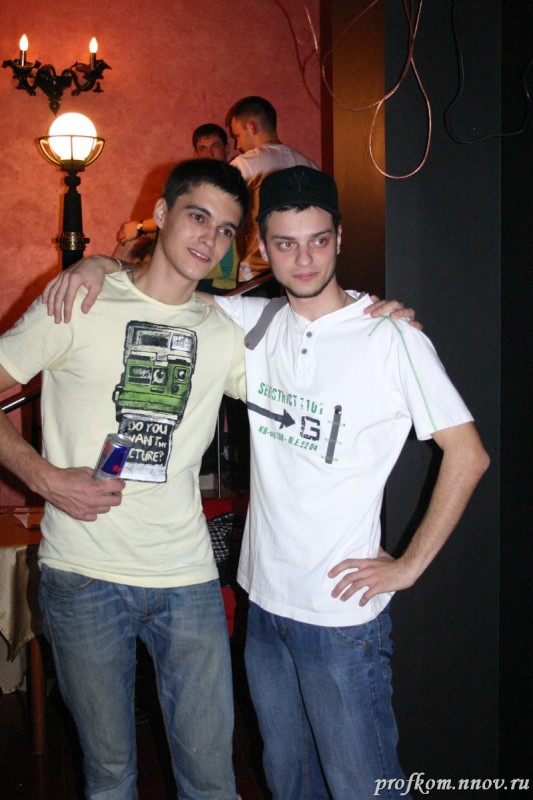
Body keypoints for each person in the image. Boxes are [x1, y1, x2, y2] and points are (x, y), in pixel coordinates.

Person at [0, 159, 251, 800]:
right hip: (84, 573)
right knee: (110, 777)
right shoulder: (77, 302)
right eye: (198, 216)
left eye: (225, 230)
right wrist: (46, 478)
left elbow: (310, 360)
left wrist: (371, 314)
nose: (210, 239)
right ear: (161, 214)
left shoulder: (222, 332)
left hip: (186, 577)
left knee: (213, 781)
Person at [226, 96, 318, 281]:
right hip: (305, 270)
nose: (238, 145)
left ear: (252, 126)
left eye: (237, 136)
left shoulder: (244, 165)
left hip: (258, 273)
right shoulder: (311, 166)